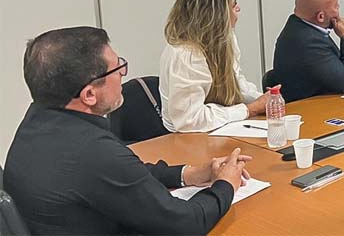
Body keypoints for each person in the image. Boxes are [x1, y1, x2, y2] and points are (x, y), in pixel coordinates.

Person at [4, 27, 250, 236]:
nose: (123, 75)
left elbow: (125, 175)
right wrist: (225, 185)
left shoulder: (38, 123)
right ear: (89, 94)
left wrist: (189, 174)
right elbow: (187, 223)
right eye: (117, 69)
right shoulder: (93, 151)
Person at [159, 0, 270, 133]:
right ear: (216, 13)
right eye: (233, 5)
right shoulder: (186, 54)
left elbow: (236, 82)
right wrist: (248, 110)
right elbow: (190, 120)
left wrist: (263, 100)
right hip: (185, 139)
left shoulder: (226, 39)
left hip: (219, 130)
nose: (238, 9)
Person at [267, 0, 344, 102]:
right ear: (321, 17)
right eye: (336, 7)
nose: (339, 12)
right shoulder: (309, 42)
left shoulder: (296, 26)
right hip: (312, 111)